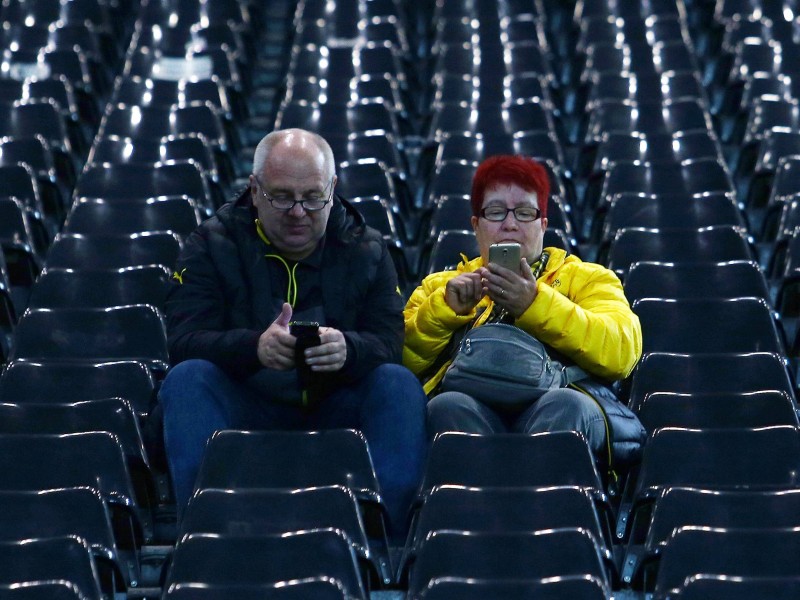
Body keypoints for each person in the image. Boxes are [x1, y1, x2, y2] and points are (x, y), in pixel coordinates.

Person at [159, 128, 427, 537]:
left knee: (398, 384)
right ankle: (202, 533)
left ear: (332, 189)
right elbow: (182, 342)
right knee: (187, 381)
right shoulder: (211, 245)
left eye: (313, 197)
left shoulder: (367, 249)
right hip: (247, 400)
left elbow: (389, 343)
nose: (299, 211)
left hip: (335, 403)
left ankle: (388, 541)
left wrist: (348, 349)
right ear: (254, 189)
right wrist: (254, 348)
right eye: (281, 197)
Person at [403, 154, 644, 473]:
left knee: (566, 406)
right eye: (496, 211)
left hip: (560, 400)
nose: (510, 224)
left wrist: (535, 304)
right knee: (447, 406)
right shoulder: (441, 287)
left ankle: (542, 517)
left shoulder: (587, 278)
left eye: (525, 212)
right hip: (471, 402)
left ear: (543, 224)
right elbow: (401, 361)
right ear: (476, 225)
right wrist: (446, 312)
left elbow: (622, 351)